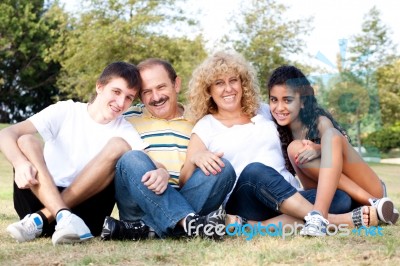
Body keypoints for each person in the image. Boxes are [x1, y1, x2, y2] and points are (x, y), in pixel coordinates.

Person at [181, 50, 379, 237]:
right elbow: (185, 181)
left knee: (340, 198)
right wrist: (196, 158)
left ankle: (257, 227)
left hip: (288, 196)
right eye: (219, 83)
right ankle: (329, 220)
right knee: (256, 171)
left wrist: (323, 141)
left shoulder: (265, 111)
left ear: (243, 83)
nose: (228, 88)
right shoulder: (206, 126)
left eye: (233, 80)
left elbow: (307, 118)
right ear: (208, 90)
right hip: (246, 198)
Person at [0, 62, 148, 245]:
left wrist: (161, 171)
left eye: (128, 98)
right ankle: (60, 216)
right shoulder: (66, 110)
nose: (120, 103)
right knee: (25, 141)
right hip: (37, 200)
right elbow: (6, 134)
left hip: (86, 216)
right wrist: (20, 163)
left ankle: (49, 216)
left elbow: (145, 162)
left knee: (118, 145)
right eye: (116, 92)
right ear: (99, 86)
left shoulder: (125, 129)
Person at [100, 58, 236, 240]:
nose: (155, 97)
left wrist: (199, 156)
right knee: (132, 158)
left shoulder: (201, 119)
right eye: (147, 91)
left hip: (188, 198)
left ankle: (146, 230)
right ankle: (187, 223)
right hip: (139, 204)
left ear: (176, 84)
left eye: (161, 87)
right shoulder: (125, 118)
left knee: (222, 167)